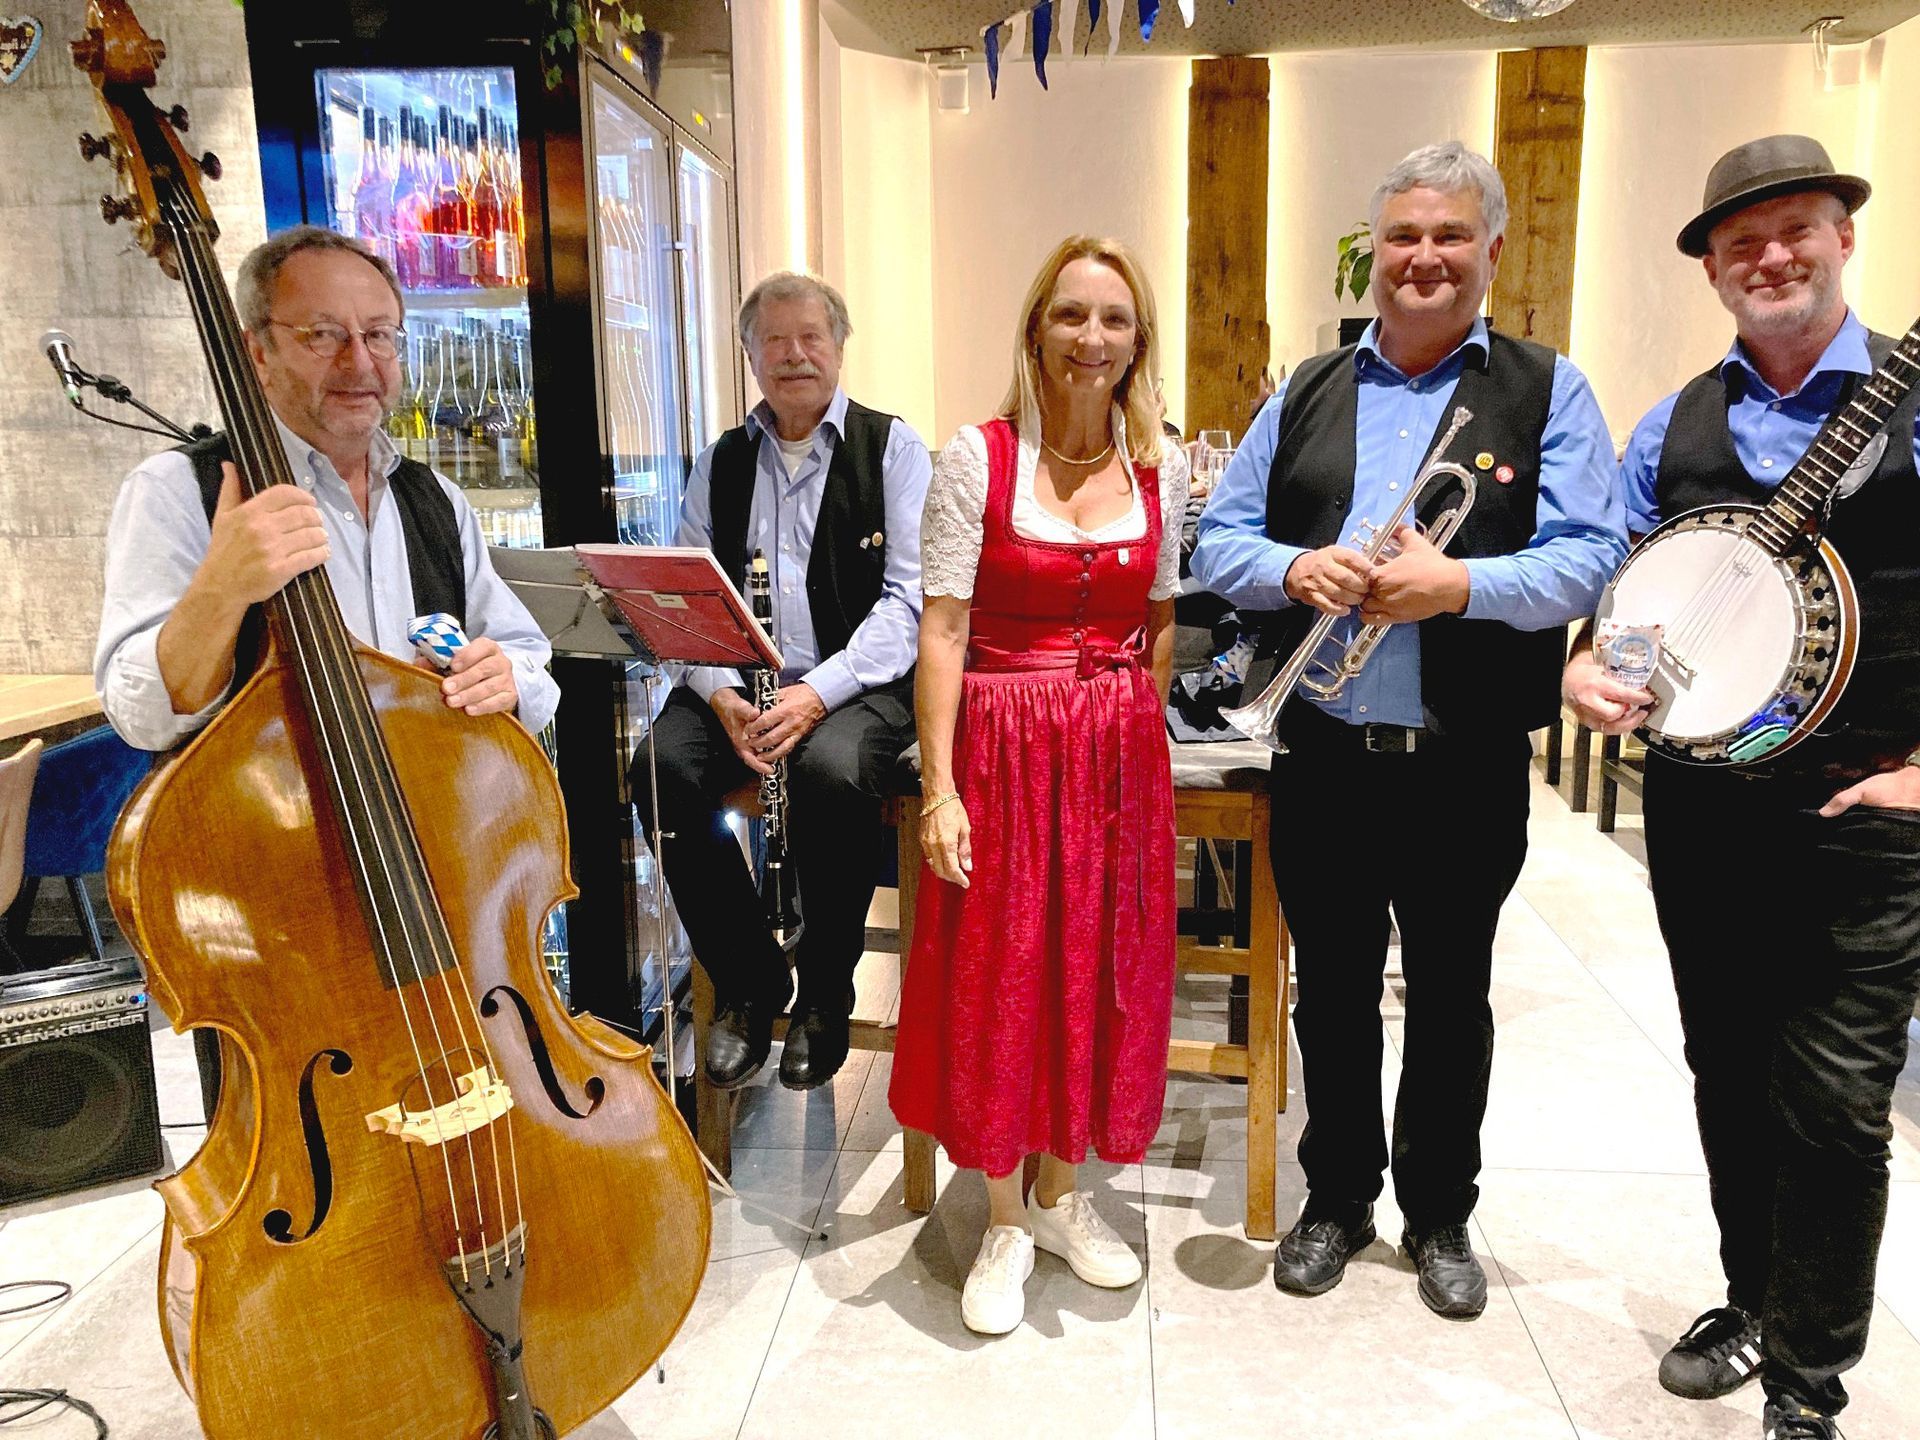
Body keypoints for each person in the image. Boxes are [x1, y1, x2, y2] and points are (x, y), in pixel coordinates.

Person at [1191, 142, 1625, 1319]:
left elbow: (1591, 554)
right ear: (1372, 253)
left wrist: (1460, 587)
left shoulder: (1550, 389)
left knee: (1449, 997)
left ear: (1492, 251)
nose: (1422, 258)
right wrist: (1297, 569)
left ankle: (1440, 1212)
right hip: (1325, 751)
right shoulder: (1307, 388)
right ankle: (1338, 1198)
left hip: (1463, 759)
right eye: (1402, 237)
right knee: (1330, 994)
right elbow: (1218, 540)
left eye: (1448, 236)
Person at [1562, 135, 1920, 1440]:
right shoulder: (1672, 425)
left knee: (1835, 1106)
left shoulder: (1912, 408)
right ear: (1712, 269)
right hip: (1704, 808)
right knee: (1728, 1069)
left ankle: (1808, 1392)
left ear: (1843, 236)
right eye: (1740, 242)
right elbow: (1627, 588)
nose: (1769, 257)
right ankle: (1755, 1296)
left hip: (1861, 807)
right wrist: (1590, 668)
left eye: (1795, 229)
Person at [94, 225, 560, 1117]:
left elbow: (528, 661)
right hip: (279, 909)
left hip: (440, 882)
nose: (361, 362)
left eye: (380, 334)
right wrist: (220, 588)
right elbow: (141, 713)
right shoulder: (179, 492)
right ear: (256, 352)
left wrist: (507, 677)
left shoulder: (432, 497)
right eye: (323, 335)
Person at [889, 235, 1187, 1336]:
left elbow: (1159, 620)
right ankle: (1005, 1214)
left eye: (1113, 318)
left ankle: (1064, 1195)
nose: (1090, 338)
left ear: (1137, 340)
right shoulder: (979, 457)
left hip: (1115, 754)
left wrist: (1136, 738)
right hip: (1004, 748)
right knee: (1003, 970)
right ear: (1035, 328)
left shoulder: (1162, 466)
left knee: (1100, 966)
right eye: (1070, 314)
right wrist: (941, 787)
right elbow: (943, 628)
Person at [636, 273, 929, 1093]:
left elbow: (908, 603)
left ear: (839, 346)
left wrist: (816, 693)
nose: (794, 355)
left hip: (855, 683)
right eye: (775, 340)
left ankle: (825, 994)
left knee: (831, 769)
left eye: (811, 338)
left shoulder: (893, 448)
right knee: (659, 769)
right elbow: (684, 599)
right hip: (737, 681)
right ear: (749, 354)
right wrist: (721, 695)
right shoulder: (722, 460)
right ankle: (750, 981)